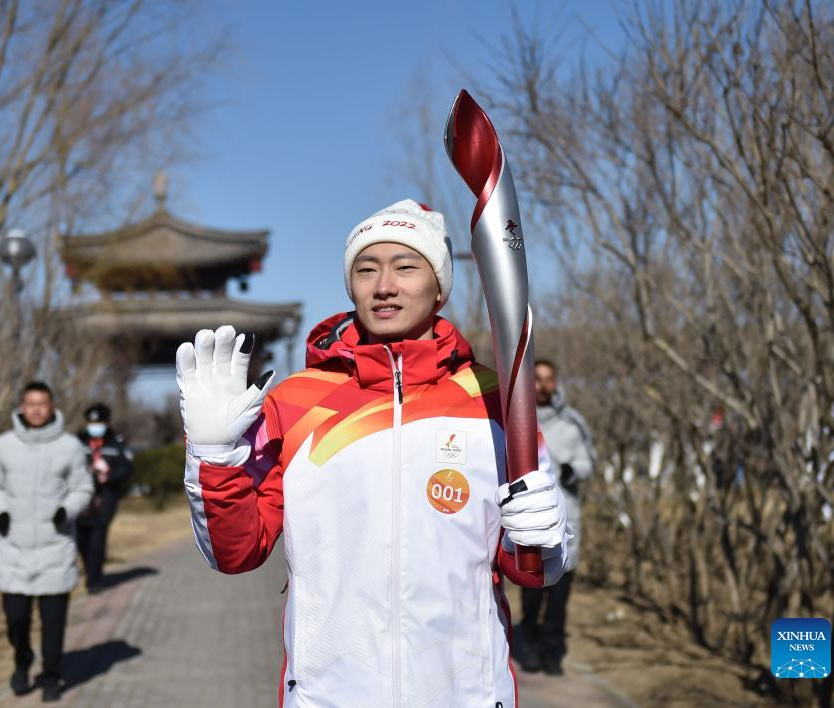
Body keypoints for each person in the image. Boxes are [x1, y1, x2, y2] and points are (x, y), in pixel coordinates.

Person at [177, 199, 571, 707]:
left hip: (464, 694)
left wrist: (543, 536)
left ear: (439, 287)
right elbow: (235, 552)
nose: (384, 286)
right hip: (329, 696)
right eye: (366, 269)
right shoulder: (295, 404)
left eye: (406, 267)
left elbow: (534, 570)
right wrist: (212, 458)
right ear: (352, 286)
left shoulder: (496, 402)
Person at [0, 381, 93, 702]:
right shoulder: (4, 445)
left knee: (53, 623)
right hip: (14, 550)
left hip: (54, 548)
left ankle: (51, 675)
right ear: (21, 407)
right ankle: (22, 660)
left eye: (42, 404)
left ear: (51, 407)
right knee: (16, 617)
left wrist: (66, 510)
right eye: (30, 404)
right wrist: (0, 513)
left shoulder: (69, 446)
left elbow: (83, 487)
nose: (36, 410)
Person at [517, 359, 597, 676]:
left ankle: (552, 654)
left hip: (565, 524)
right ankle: (530, 648)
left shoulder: (572, 423)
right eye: (536, 378)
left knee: (559, 598)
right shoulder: (517, 418)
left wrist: (570, 470)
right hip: (530, 520)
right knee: (531, 593)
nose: (542, 385)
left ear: (555, 383)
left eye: (548, 379)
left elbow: (588, 463)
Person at [76, 403, 134, 593]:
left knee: (98, 535)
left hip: (106, 496)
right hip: (81, 495)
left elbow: (127, 468)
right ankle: (90, 569)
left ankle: (94, 580)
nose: (95, 426)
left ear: (107, 422)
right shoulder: (78, 440)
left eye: (99, 422)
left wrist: (109, 476)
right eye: (92, 422)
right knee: (81, 536)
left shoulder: (116, 441)